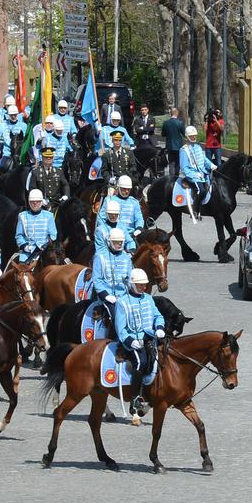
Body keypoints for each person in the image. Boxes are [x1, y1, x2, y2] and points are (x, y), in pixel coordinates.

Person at [114, 268, 166, 413]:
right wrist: (130, 341)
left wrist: (160, 327)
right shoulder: (122, 303)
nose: (144, 287)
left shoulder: (148, 298)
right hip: (132, 342)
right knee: (141, 362)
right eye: (140, 285)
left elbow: (158, 316)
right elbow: (121, 329)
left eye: (145, 284)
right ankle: (135, 397)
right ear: (132, 284)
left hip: (150, 337)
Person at [92, 227, 133, 315]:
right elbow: (97, 279)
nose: (119, 244)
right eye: (116, 242)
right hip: (107, 297)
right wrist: (105, 295)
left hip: (124, 296)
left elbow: (130, 279)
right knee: (115, 315)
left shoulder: (127, 257)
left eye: (121, 242)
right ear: (109, 242)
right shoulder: (100, 257)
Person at [179, 125, 216, 213]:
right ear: (187, 137)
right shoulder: (184, 150)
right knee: (201, 190)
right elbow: (184, 168)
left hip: (203, 174)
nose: (193, 137)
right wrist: (195, 174)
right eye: (191, 136)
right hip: (193, 175)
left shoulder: (198, 147)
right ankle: (195, 210)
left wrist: (211, 165)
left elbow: (204, 159)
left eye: (194, 135)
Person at [15, 189, 58, 262]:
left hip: (44, 251)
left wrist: (44, 246)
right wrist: (24, 246)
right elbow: (19, 235)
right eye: (32, 201)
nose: (35, 203)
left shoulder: (49, 216)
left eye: (37, 201)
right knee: (21, 270)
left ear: (41, 202)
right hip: (27, 252)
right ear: (29, 202)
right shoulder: (22, 216)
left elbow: (53, 235)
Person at [33, 147, 70, 213]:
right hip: (42, 205)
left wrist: (65, 196)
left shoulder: (59, 171)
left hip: (57, 204)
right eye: (46, 157)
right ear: (42, 158)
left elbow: (65, 185)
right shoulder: (36, 172)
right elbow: (32, 188)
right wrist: (39, 199)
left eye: (50, 157)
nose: (49, 159)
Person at [111, 175, 144, 244]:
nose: (126, 191)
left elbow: (139, 218)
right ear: (119, 188)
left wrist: (139, 228)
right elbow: (102, 218)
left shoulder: (134, 202)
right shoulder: (110, 200)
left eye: (128, 189)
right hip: (114, 235)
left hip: (131, 235)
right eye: (124, 189)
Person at [0, 104, 27, 173]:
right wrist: (13, 145)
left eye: (15, 114)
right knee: (3, 167)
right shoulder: (4, 125)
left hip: (20, 153)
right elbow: (6, 138)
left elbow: (25, 140)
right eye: (11, 115)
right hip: (8, 152)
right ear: (8, 115)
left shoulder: (24, 125)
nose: (13, 116)